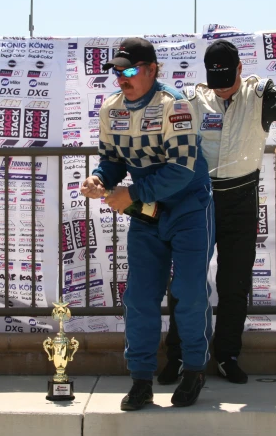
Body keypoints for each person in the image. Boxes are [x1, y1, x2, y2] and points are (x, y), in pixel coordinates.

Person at [159, 39, 276, 385]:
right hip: (198, 200)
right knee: (186, 281)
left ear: (241, 70)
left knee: (234, 283)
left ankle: (227, 355)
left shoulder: (259, 94)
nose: (224, 90)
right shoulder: (193, 98)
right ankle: (179, 355)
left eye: (229, 82)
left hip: (241, 200)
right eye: (218, 84)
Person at [81, 38, 214, 410]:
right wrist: (99, 179)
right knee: (139, 297)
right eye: (116, 70)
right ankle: (140, 380)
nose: (120, 77)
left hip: (188, 207)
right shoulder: (111, 108)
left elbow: (181, 171)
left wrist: (132, 194)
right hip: (146, 213)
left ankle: (195, 370)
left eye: (129, 70)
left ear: (153, 70)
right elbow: (111, 160)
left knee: (188, 292)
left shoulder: (175, 105)